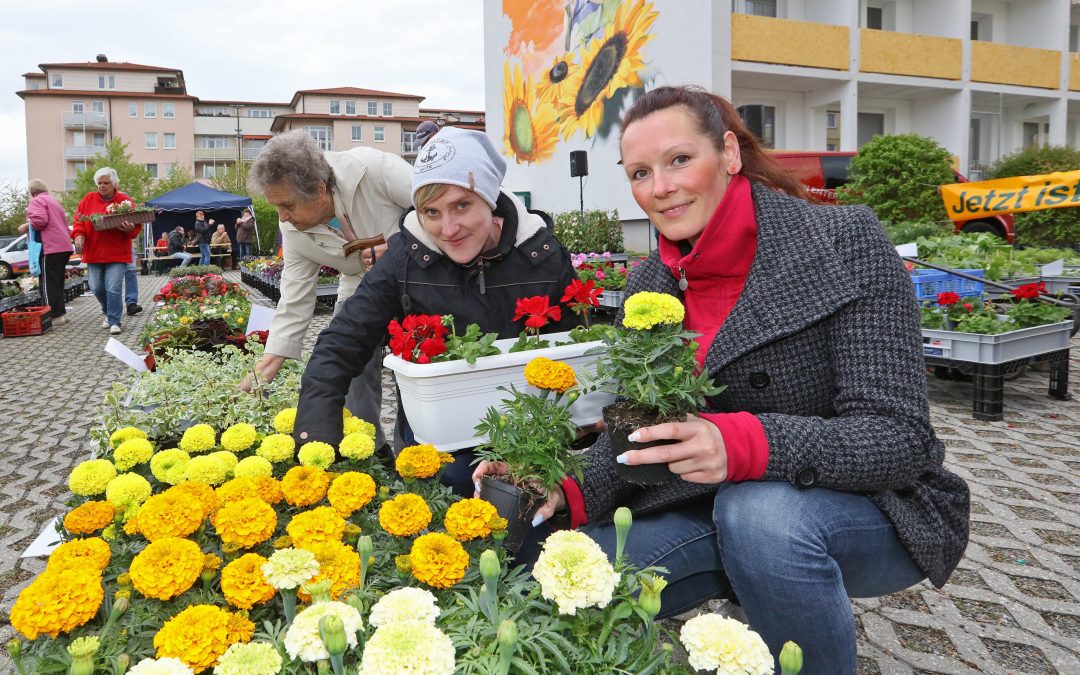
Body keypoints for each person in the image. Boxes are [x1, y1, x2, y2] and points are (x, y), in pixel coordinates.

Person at [474, 85, 971, 673]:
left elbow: (899, 438)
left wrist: (739, 445)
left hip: (870, 504)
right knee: (571, 576)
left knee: (760, 516)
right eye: (639, 172)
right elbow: (642, 431)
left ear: (730, 154)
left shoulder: (844, 243)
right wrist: (564, 486)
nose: (660, 188)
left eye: (680, 159)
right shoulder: (650, 286)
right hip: (703, 503)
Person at [291, 126, 579, 497]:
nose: (448, 228)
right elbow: (342, 341)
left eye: (462, 205)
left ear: (489, 198)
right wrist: (315, 433)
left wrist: (576, 425)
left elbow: (574, 351)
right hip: (436, 443)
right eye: (431, 211)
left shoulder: (541, 255)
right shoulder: (404, 259)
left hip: (527, 442)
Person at [242, 129, 415, 453]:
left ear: (319, 190)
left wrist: (396, 247)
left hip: (421, 278)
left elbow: (436, 206)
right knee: (349, 360)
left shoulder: (374, 170)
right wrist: (268, 364)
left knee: (415, 365)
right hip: (359, 285)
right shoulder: (291, 226)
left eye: (287, 205)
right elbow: (295, 295)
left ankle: (416, 447)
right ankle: (368, 450)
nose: (282, 217)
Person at [72, 167, 142, 335]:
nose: (102, 186)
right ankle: (108, 312)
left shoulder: (124, 200)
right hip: (94, 253)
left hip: (117, 254)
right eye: (99, 183)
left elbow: (135, 228)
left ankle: (115, 321)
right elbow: (78, 221)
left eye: (106, 183)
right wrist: (78, 235)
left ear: (114, 183)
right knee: (96, 287)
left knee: (113, 288)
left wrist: (129, 229)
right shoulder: (88, 199)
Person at [22, 179, 74, 325]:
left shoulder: (36, 201)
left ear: (32, 192)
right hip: (63, 246)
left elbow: (40, 221)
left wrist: (26, 225)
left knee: (47, 282)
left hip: (49, 247)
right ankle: (61, 314)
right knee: (57, 281)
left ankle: (54, 316)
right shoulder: (54, 201)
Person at [124, 238, 142, 316]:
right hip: (109, 245)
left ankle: (131, 304)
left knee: (131, 271)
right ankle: (107, 305)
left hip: (127, 242)